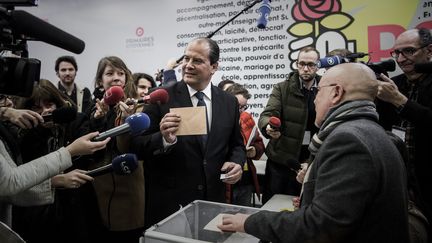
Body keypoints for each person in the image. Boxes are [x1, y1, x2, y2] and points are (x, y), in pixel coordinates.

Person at [218, 63, 410, 243]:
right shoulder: (376, 133)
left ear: (336, 93)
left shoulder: (347, 141)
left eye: (319, 92)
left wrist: (248, 222)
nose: (315, 99)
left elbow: (320, 225)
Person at [128, 37, 245, 228]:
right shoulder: (161, 97)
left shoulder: (229, 102)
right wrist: (163, 139)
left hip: (212, 202)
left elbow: (237, 145)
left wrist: (237, 163)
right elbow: (137, 145)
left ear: (214, 67)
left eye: (197, 61)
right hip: (170, 206)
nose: (188, 66)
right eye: (186, 59)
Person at [376, 28, 432, 227]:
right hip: (401, 180)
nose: (401, 59)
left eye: (408, 51)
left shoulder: (395, 92)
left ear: (429, 51)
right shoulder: (394, 84)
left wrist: (398, 100)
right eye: (397, 53)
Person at [89, 56, 145, 243]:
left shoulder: (137, 108)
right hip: (99, 189)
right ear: (99, 80)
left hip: (129, 185)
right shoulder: (91, 110)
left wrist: (127, 122)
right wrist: (98, 120)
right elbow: (90, 151)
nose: (116, 78)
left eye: (121, 73)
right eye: (110, 73)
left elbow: (130, 148)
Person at [258, 46, 321, 203]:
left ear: (318, 65)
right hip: (282, 160)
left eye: (311, 65)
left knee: (304, 207)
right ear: (297, 64)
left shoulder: (325, 87)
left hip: (311, 160)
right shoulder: (282, 87)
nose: (305, 69)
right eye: (302, 64)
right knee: (273, 205)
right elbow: (267, 115)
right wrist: (268, 127)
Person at [225, 83, 264, 206]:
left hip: (246, 180)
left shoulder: (246, 118)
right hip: (227, 180)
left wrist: (254, 151)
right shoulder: (219, 120)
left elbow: (259, 143)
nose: (241, 110)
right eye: (238, 106)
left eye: (244, 107)